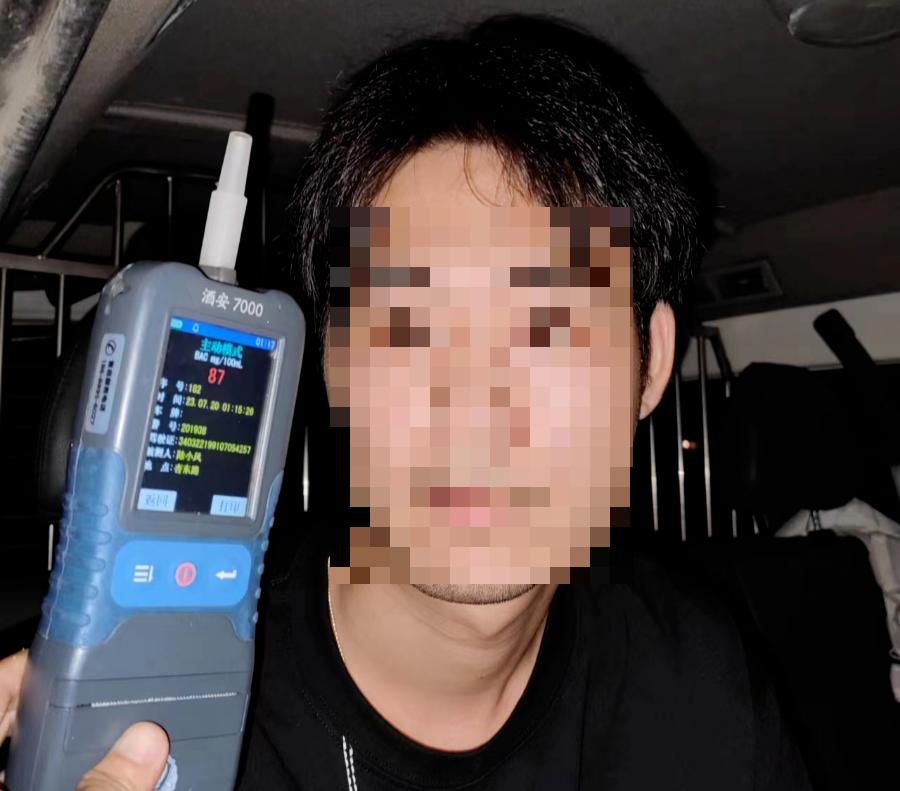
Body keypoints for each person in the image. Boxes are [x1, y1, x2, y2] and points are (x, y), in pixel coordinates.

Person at [0, 13, 813, 791]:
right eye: (409, 326)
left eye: (548, 326)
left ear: (652, 363)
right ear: (332, 365)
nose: (476, 406)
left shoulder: (695, 674)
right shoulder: (155, 732)